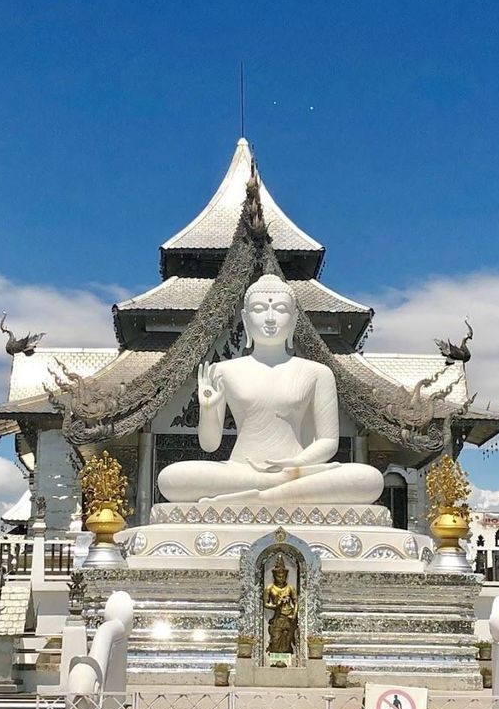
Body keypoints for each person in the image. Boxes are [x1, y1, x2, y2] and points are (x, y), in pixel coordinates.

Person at [157, 274, 383, 505]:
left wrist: (296, 465)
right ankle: (274, 491)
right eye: (259, 309)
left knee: (368, 479)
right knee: (171, 478)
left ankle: (261, 495)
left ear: (294, 319)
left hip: (297, 470)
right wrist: (207, 408)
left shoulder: (318, 373)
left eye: (281, 309)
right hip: (240, 471)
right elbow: (210, 444)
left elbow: (327, 442)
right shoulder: (222, 371)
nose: (271, 318)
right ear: (245, 319)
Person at [263, 554, 297, 655]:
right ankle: (275, 654)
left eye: (283, 576)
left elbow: (296, 602)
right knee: (276, 638)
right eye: (278, 576)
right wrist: (276, 605)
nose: (281, 578)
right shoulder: (270, 588)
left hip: (288, 616)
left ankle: (286, 655)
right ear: (274, 575)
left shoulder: (290, 588)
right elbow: (265, 603)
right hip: (277, 617)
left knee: (287, 638)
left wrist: (294, 614)